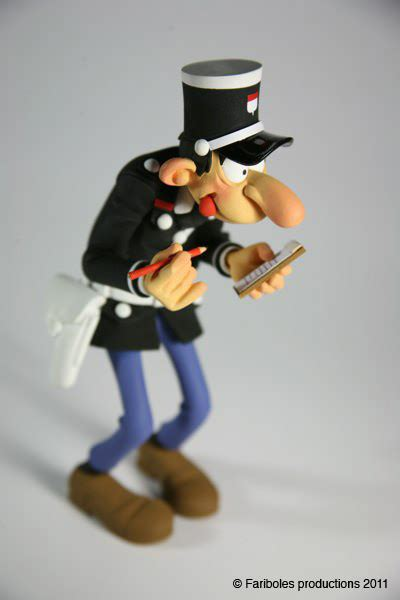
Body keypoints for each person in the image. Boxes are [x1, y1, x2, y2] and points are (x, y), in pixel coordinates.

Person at [69, 59, 305, 544]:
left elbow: (204, 235)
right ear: (183, 172)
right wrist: (146, 281)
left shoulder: (203, 190)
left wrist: (233, 259)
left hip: (175, 302)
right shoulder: (141, 182)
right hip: (128, 303)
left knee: (198, 405)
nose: (257, 188)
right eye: (241, 170)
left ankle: (161, 452)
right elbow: (95, 260)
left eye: (257, 168)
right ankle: (91, 475)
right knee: (136, 422)